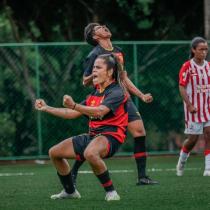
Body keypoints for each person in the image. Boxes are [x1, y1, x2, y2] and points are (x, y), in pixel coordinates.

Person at [71, 23, 158, 185]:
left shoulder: (118, 51)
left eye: (103, 25)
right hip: (105, 99)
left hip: (123, 98)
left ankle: (142, 177)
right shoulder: (95, 54)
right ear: (95, 37)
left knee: (140, 132)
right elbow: (85, 81)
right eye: (99, 27)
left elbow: (123, 77)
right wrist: (97, 71)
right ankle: (74, 170)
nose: (104, 27)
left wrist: (141, 95)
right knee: (94, 139)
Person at [35, 54, 128, 201]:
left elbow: (100, 111)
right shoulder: (94, 93)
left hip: (111, 136)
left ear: (110, 72)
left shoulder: (117, 92)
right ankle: (70, 191)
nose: (94, 71)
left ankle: (111, 192)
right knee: (54, 153)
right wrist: (47, 108)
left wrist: (74, 105)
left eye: (98, 67)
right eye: (93, 67)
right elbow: (72, 113)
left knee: (90, 153)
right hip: (93, 136)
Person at [176, 36, 210, 176]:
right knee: (193, 139)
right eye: (201, 49)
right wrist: (189, 105)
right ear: (193, 50)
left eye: (206, 49)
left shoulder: (208, 66)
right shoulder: (187, 66)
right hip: (193, 109)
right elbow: (182, 87)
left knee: (209, 134)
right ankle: (182, 162)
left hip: (207, 107)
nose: (204, 52)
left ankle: (208, 168)